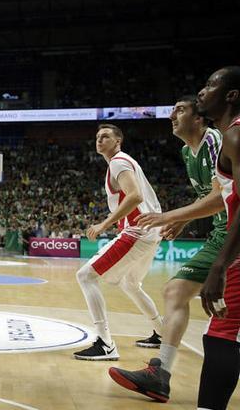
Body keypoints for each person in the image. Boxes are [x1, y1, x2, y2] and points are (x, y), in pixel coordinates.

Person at [110, 96, 227, 402]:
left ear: (199, 119)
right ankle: (160, 375)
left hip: (233, 235)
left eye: (180, 110)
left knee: (226, 324)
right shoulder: (188, 152)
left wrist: (170, 216)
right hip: (221, 233)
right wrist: (185, 222)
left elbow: (221, 198)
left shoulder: (213, 141)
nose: (172, 115)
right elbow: (209, 198)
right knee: (175, 291)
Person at [73, 124, 164, 361]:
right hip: (151, 232)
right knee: (131, 284)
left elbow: (135, 196)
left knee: (85, 276)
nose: (99, 140)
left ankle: (105, 343)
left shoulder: (118, 162)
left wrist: (104, 224)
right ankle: (163, 333)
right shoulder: (126, 161)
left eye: (106, 137)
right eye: (97, 137)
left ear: (118, 141)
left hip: (137, 232)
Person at [191, 67, 240, 410]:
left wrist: (220, 265)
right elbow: (220, 198)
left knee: (222, 333)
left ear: (231, 95)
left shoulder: (235, 137)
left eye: (211, 85)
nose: (202, 91)